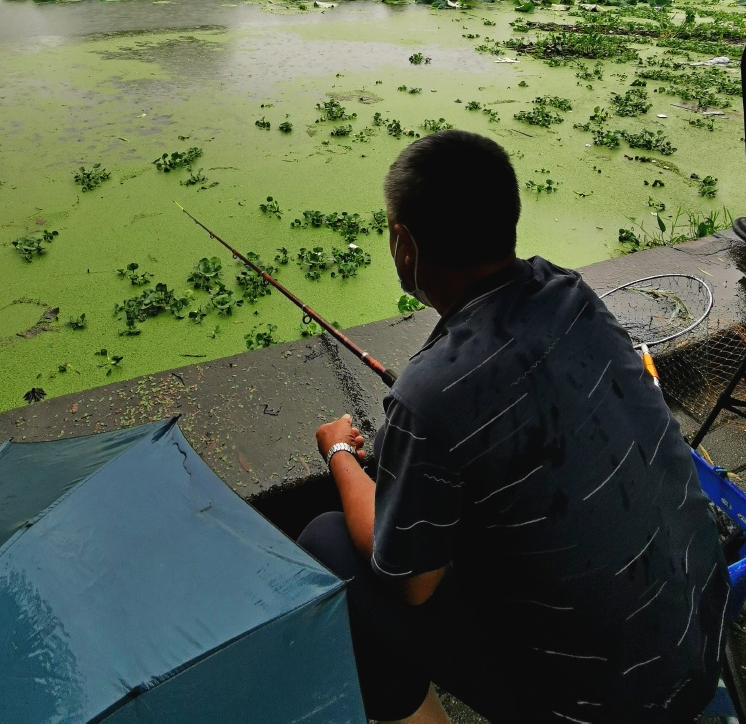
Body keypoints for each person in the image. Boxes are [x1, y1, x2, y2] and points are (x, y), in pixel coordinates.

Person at [299, 131, 729, 724]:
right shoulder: (572, 294)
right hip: (702, 644)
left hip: (601, 706)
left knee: (327, 542)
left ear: (404, 245)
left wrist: (341, 451)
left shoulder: (429, 394)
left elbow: (409, 582)